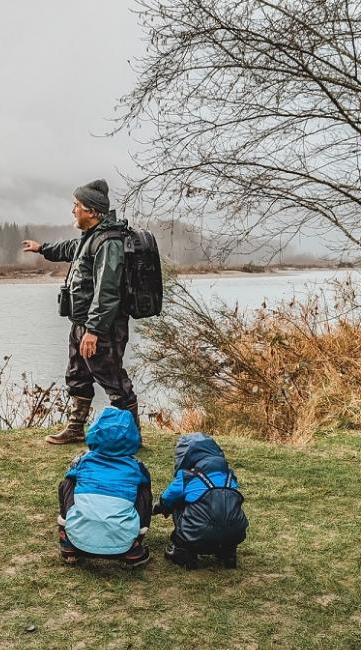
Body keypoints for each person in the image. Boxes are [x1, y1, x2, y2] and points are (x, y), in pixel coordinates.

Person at [22, 179, 137, 444]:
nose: (73, 210)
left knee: (112, 378)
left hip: (102, 328)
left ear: (92, 211)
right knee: (78, 374)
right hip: (82, 324)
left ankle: (132, 435)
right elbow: (69, 249)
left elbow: (107, 291)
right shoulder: (91, 238)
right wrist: (42, 248)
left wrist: (94, 330)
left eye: (77, 206)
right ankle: (75, 428)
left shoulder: (109, 243)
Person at [56, 407, 151, 567]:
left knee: (67, 482)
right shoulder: (137, 466)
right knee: (144, 490)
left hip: (78, 540)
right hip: (122, 545)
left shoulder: (82, 460)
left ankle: (67, 537)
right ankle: (134, 547)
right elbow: (145, 485)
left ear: (94, 432)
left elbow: (68, 479)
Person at [154, 433, 247, 569]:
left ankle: (183, 552)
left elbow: (167, 498)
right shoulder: (229, 475)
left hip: (197, 536)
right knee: (225, 503)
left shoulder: (187, 476)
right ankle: (228, 552)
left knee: (178, 501)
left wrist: (161, 507)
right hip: (234, 534)